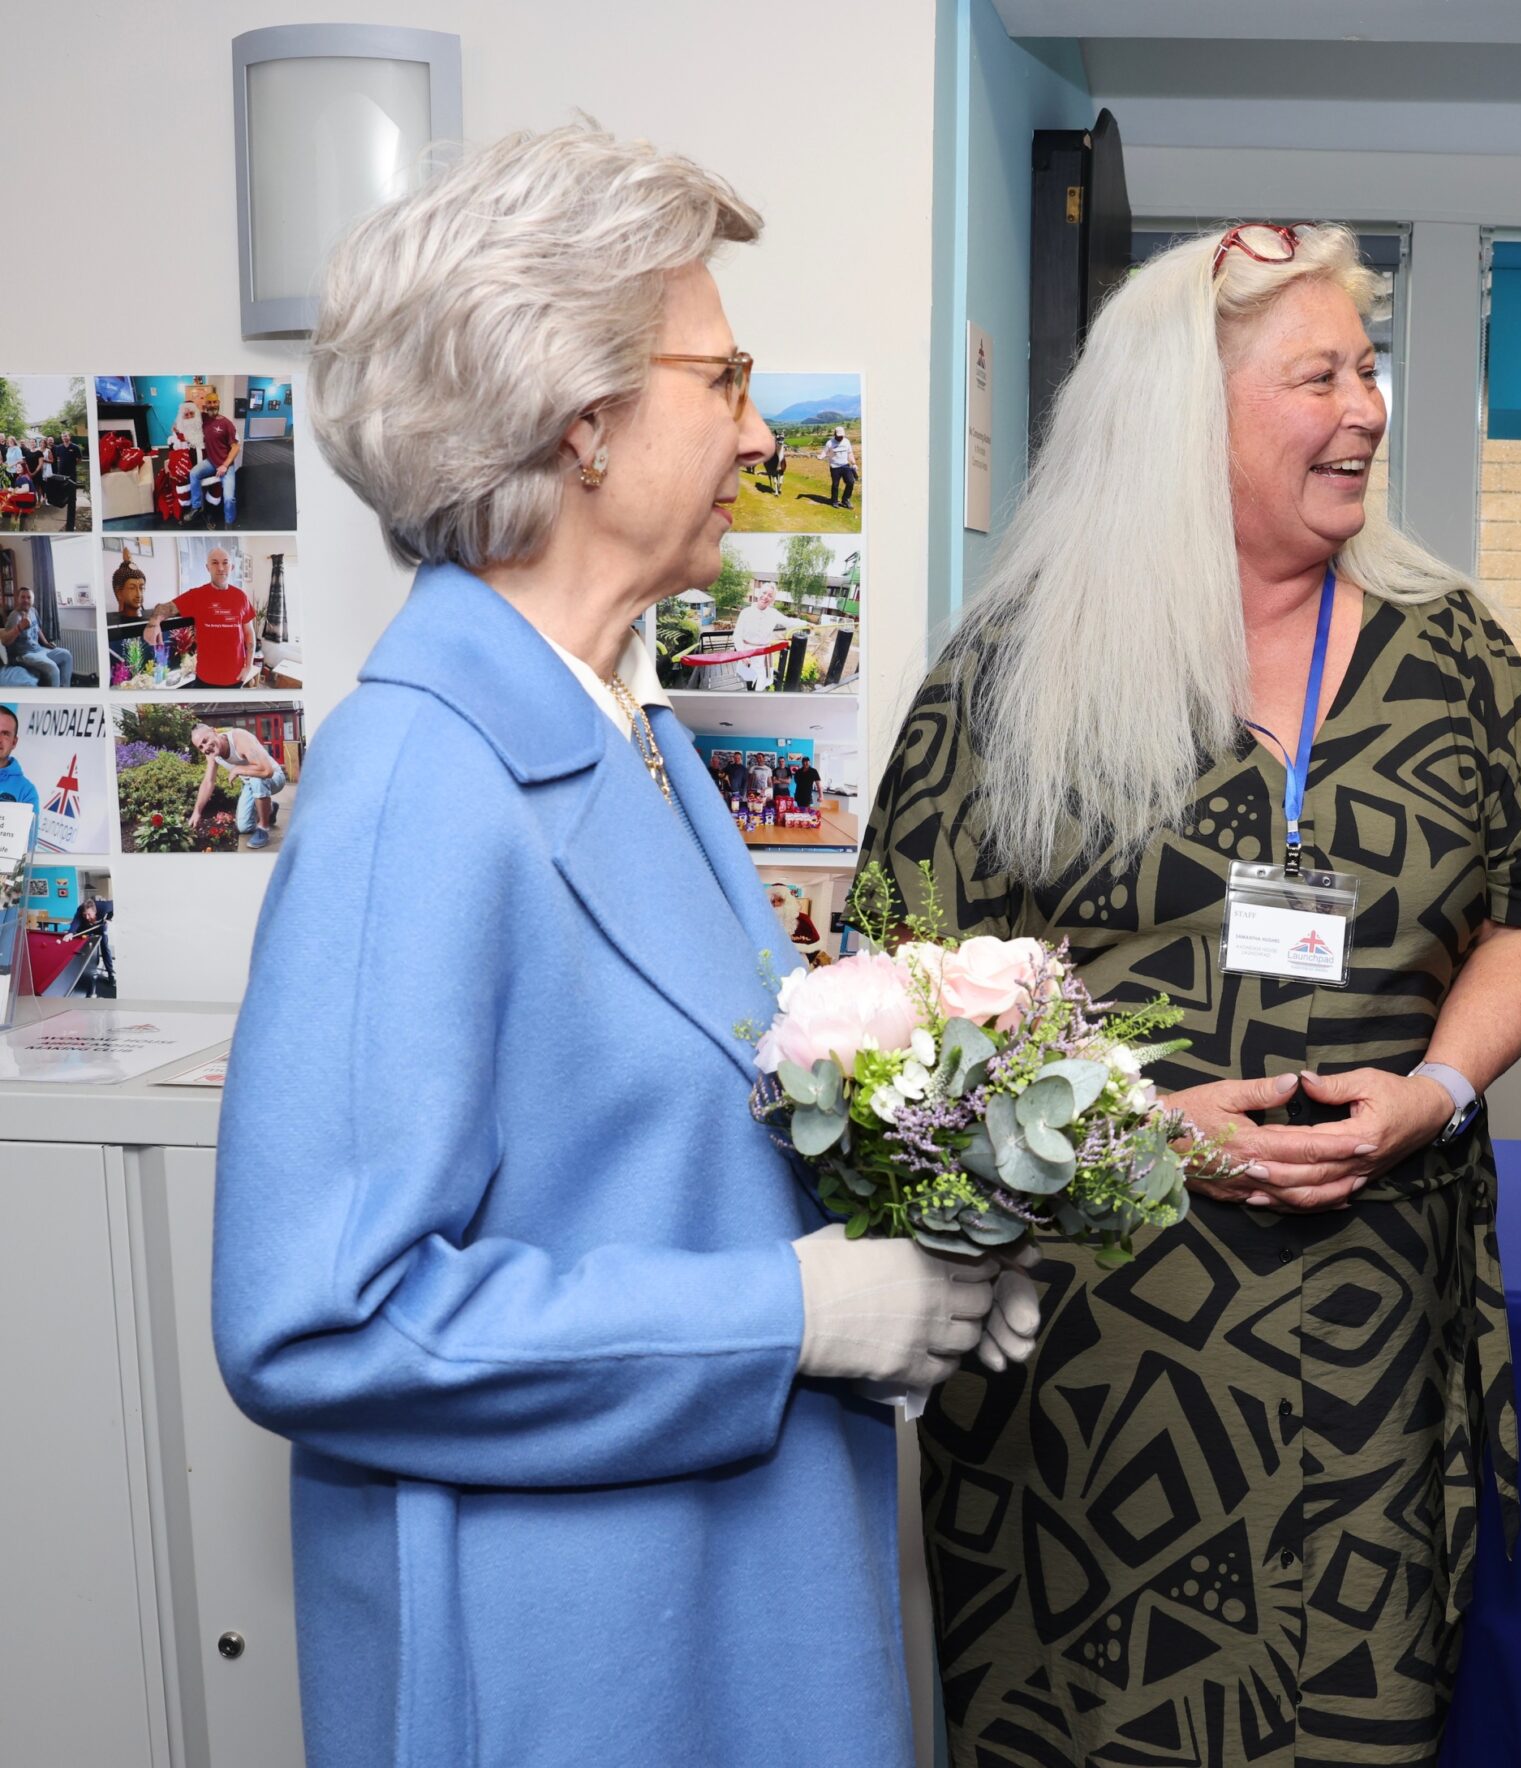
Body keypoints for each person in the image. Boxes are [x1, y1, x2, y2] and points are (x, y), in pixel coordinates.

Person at [212, 122, 1031, 1768]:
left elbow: (667, 1161)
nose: (755, 430)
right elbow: (318, 1312)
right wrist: (796, 1317)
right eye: (723, 382)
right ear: (584, 425)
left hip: (709, 1608)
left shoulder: (626, 733)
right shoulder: (420, 782)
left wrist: (926, 1255)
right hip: (566, 1665)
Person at [865, 220, 1521, 1766]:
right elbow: (901, 1009)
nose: (1366, 408)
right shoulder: (1016, 670)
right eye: (1317, 375)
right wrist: (1139, 1123)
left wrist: (1441, 1087)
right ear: (1179, 420)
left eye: (1369, 369)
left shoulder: (1450, 647)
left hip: (1367, 1340)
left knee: (1360, 1722)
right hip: (1090, 1355)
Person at [141, 544, 259, 688]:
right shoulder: (196, 596)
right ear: (208, 567)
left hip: (236, 677)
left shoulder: (241, 597)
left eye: (225, 563)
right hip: (205, 678)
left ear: (232, 567)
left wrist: (248, 667)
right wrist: (153, 622)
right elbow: (165, 607)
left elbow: (249, 633)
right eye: (215, 563)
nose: (220, 568)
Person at [184, 721, 285, 849]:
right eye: (201, 747)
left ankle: (263, 828)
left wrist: (238, 769)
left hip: (274, 777)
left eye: (205, 740)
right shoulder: (211, 753)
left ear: (214, 731)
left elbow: (267, 771)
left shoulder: (239, 738)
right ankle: (269, 808)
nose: (205, 748)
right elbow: (208, 781)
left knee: (256, 779)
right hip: (251, 783)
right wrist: (197, 812)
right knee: (243, 827)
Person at [5, 586, 75, 686]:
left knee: (66, 655)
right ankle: (54, 700)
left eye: (28, 597)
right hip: (24, 654)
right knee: (53, 668)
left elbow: (37, 628)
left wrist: (46, 643)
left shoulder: (33, 611)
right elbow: (6, 640)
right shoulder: (14, 616)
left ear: (32, 600)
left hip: (39, 649)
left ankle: (64, 692)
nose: (26, 600)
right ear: (18, 599)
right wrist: (20, 627)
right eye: (23, 597)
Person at [186, 397, 239, 526]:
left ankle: (229, 523)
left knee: (229, 499)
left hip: (226, 465)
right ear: (206, 405)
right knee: (194, 473)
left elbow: (236, 447)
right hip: (211, 462)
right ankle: (197, 506)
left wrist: (225, 466)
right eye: (209, 402)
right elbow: (189, 412)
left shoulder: (227, 424)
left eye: (214, 402)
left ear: (219, 403)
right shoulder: (204, 419)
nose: (212, 405)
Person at [823, 426, 856, 506]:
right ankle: (834, 501)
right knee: (835, 484)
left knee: (851, 482)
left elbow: (850, 453)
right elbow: (824, 452)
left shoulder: (846, 442)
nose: (840, 437)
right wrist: (820, 456)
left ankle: (845, 500)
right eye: (839, 436)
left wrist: (854, 463)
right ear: (835, 434)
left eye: (842, 436)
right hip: (834, 467)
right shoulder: (829, 443)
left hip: (845, 465)